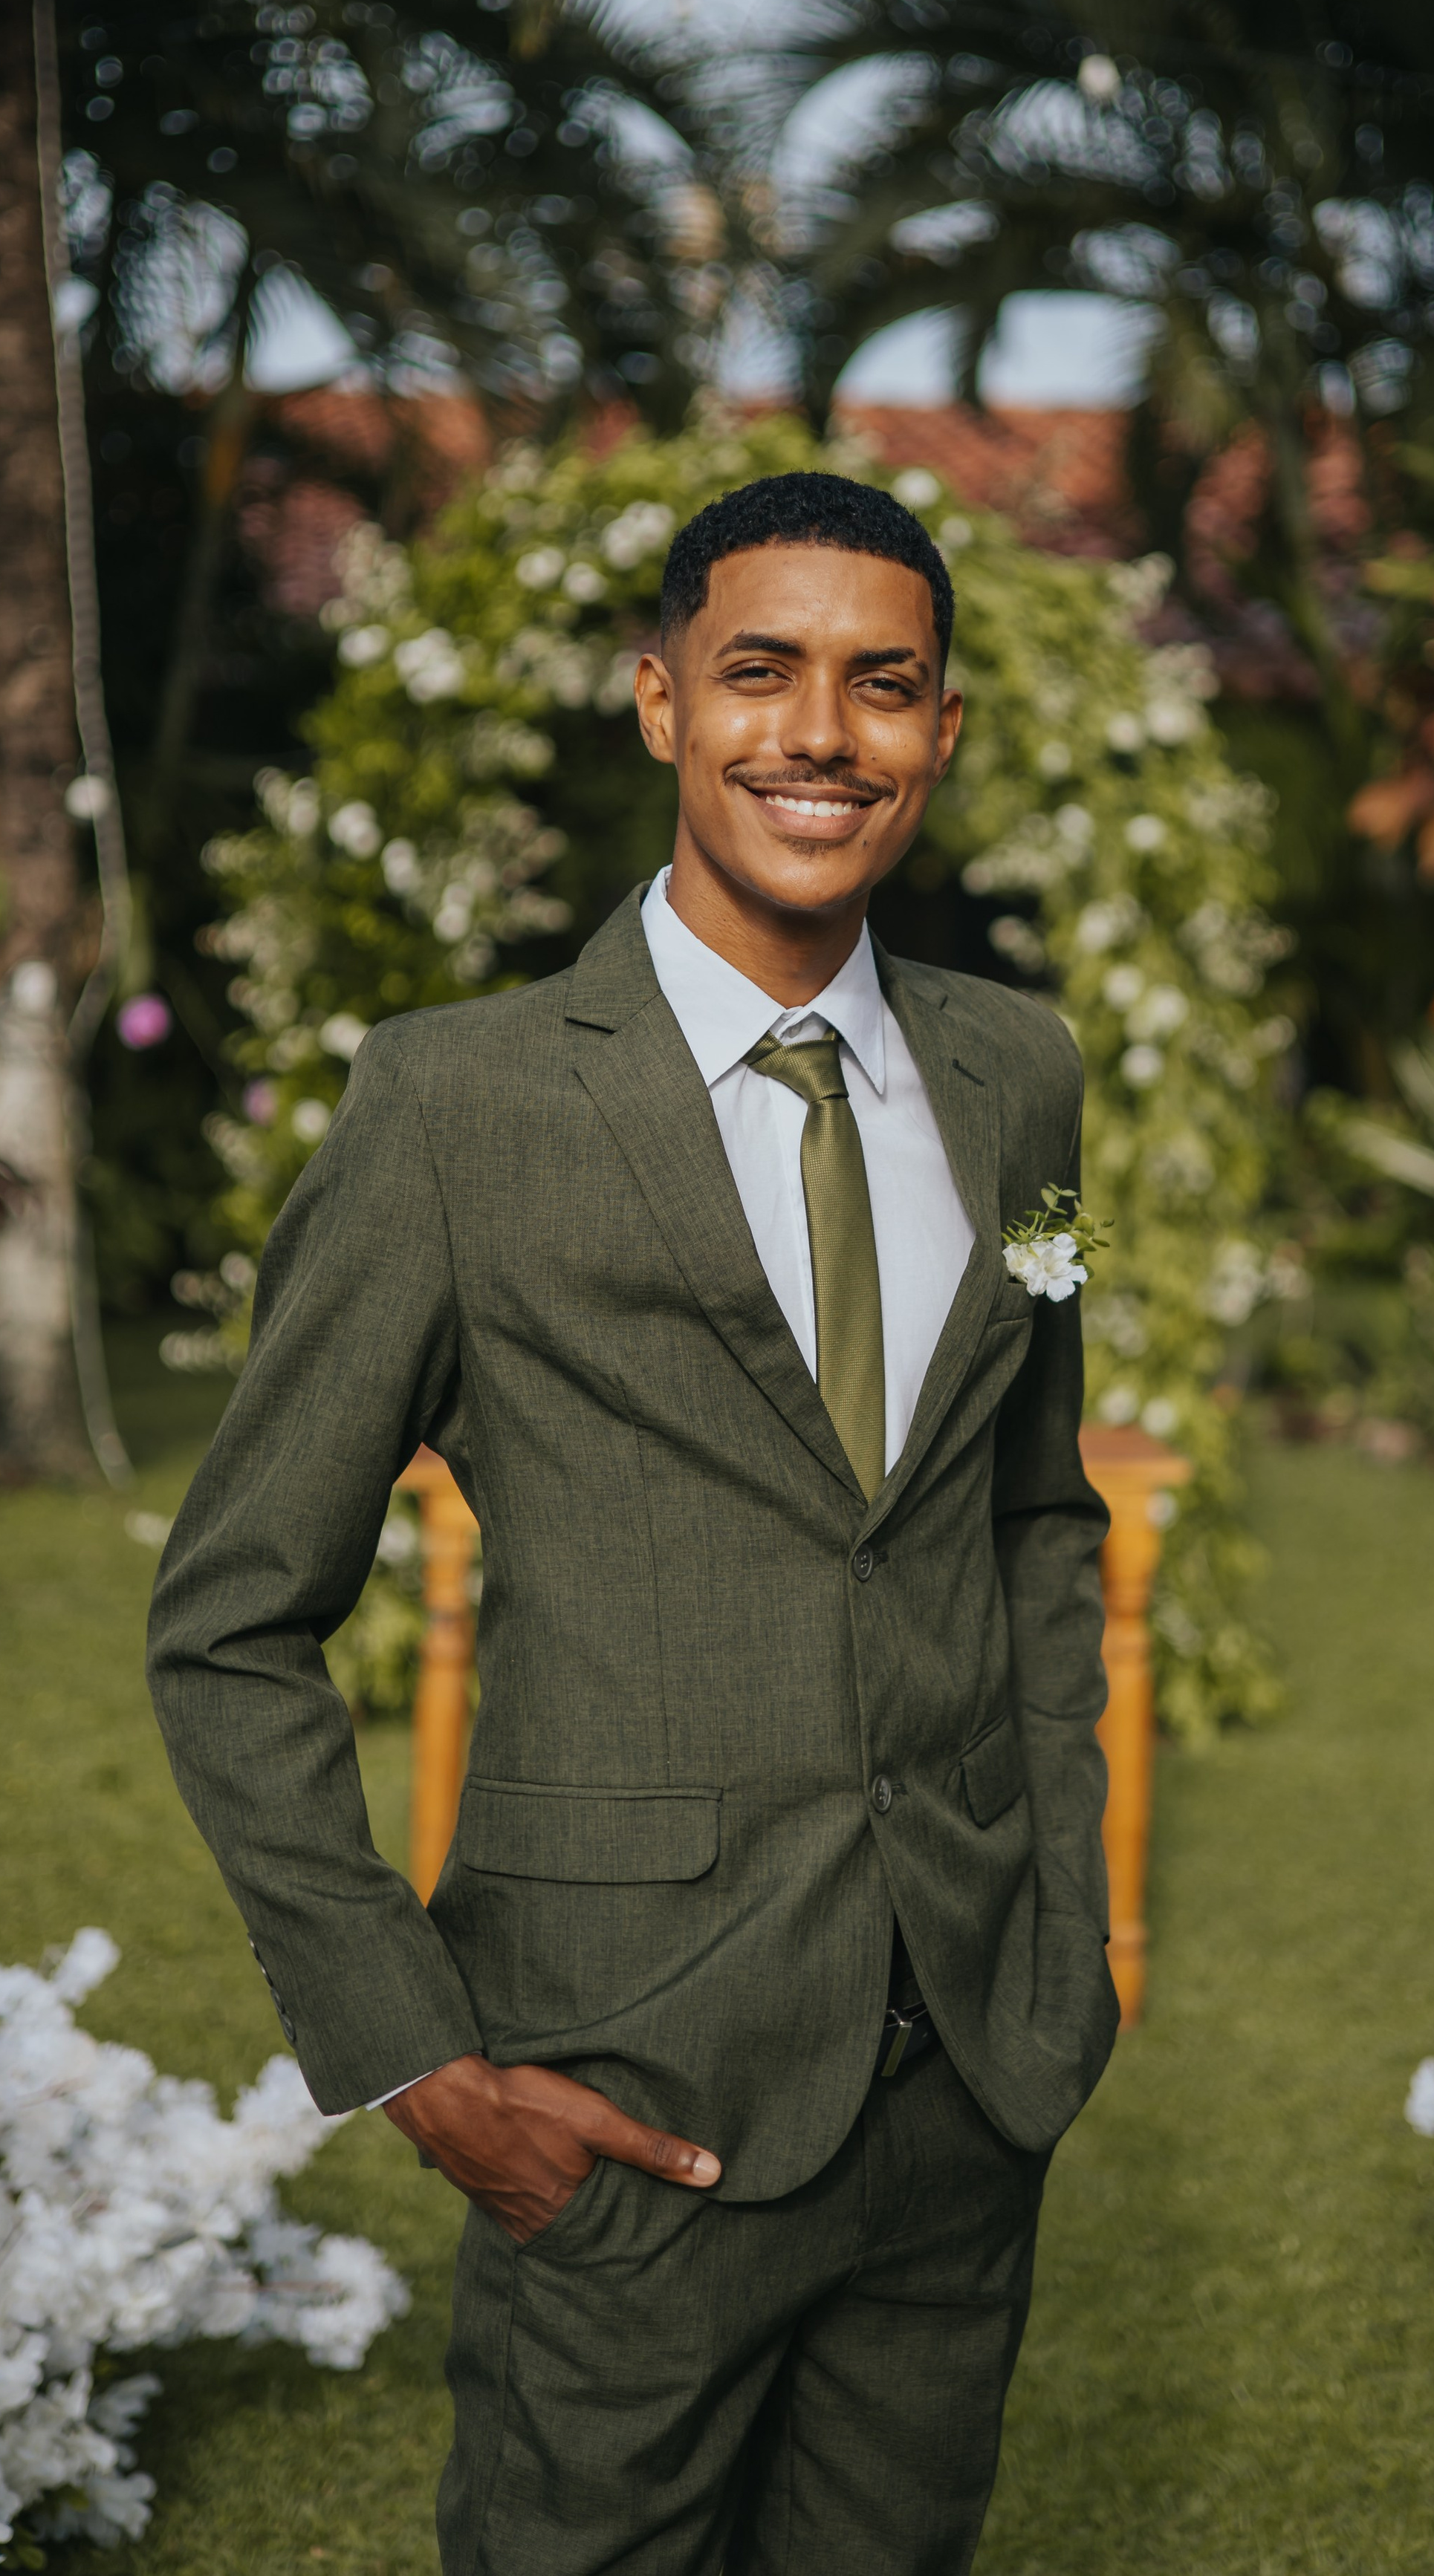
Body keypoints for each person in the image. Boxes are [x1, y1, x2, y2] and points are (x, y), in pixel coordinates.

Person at [146, 469, 1117, 2575]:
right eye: (758, 671)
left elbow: (1032, 1511)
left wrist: (1059, 1945)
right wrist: (417, 2058)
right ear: (659, 698)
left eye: (885, 684)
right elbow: (229, 1618)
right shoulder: (457, 1104)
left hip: (967, 2076)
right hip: (622, 2084)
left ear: (944, 731)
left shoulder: (1019, 1075)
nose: (820, 734)